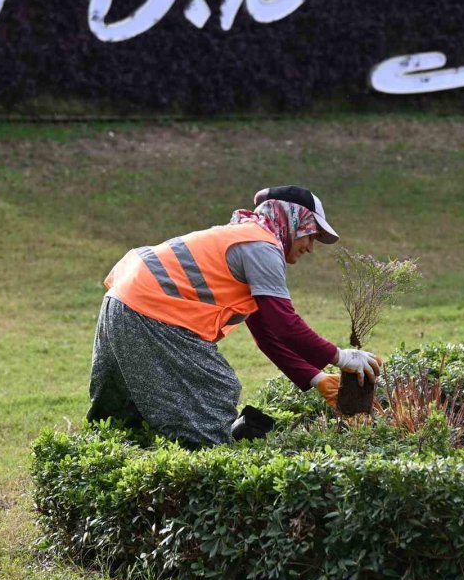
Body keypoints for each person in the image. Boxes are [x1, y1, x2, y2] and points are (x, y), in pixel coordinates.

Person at [87, 185, 383, 445]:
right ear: (294, 221)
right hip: (150, 310)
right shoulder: (261, 246)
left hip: (122, 302)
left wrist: (316, 378)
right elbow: (285, 325)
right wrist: (341, 357)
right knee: (215, 392)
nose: (311, 247)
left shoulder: (245, 238)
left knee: (119, 416)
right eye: (311, 235)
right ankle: (202, 485)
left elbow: (267, 333)